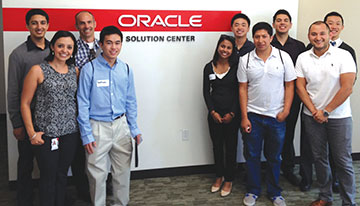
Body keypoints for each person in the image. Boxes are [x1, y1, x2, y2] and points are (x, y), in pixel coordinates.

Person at [77, 25, 142, 206]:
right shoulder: (89, 69)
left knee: (122, 172)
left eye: (117, 43)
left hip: (121, 125)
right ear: (101, 44)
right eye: (109, 43)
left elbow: (131, 101)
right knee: (97, 175)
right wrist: (86, 134)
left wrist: (134, 128)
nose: (113, 47)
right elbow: (82, 103)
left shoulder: (126, 69)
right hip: (97, 127)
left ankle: (121, 204)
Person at [295, 21, 357, 206]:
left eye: (322, 33)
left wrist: (326, 111)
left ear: (330, 34)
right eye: (314, 34)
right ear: (309, 36)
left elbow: (347, 88)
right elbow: (300, 86)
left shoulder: (344, 55)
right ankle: (325, 197)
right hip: (312, 117)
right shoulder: (302, 58)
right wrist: (315, 111)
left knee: (343, 161)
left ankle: (348, 202)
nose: (318, 37)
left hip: (339, 117)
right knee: (319, 159)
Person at [238, 22, 296, 206]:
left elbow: (290, 85)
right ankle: (253, 190)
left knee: (274, 157)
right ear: (252, 38)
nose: (261, 40)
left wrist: (286, 110)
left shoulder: (283, 57)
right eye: (257, 37)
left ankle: (275, 192)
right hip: (253, 116)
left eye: (264, 36)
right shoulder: (245, 59)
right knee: (252, 156)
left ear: (271, 38)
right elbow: (242, 89)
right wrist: (244, 116)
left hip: (276, 117)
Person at [21, 30, 79, 206]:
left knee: (62, 174)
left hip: (70, 132)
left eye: (69, 47)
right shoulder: (38, 70)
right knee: (48, 175)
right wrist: (32, 133)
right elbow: (25, 103)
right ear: (52, 46)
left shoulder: (74, 70)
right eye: (60, 45)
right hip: (46, 134)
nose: (64, 50)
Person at [7, 8, 50, 206]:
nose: (39, 27)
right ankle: (24, 200)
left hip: (51, 119)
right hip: (28, 118)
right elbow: (13, 91)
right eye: (34, 23)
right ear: (27, 26)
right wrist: (16, 123)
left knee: (49, 164)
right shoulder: (18, 54)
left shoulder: (57, 49)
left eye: (42, 22)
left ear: (48, 25)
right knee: (25, 162)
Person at [270, 9, 305, 187]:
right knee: (271, 134)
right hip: (272, 97)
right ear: (274, 24)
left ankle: (288, 168)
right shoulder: (266, 43)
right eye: (278, 20)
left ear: (290, 24)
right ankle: (271, 168)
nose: (282, 23)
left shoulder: (299, 46)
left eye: (285, 20)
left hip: (294, 98)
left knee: (288, 133)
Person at [203, 34, 239, 197]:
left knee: (231, 148)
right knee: (217, 147)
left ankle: (229, 179)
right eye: (222, 46)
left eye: (228, 47)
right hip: (214, 115)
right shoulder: (208, 67)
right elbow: (206, 92)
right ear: (218, 47)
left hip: (232, 115)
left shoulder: (237, 67)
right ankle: (219, 177)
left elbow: (241, 92)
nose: (225, 50)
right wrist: (212, 112)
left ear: (233, 50)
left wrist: (232, 113)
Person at [71, 10, 101, 202]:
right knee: (79, 155)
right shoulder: (71, 47)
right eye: (82, 23)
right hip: (78, 106)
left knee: (100, 152)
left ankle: (102, 189)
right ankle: (84, 194)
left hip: (101, 108)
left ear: (95, 23)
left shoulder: (104, 45)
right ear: (77, 26)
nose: (86, 26)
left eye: (89, 22)